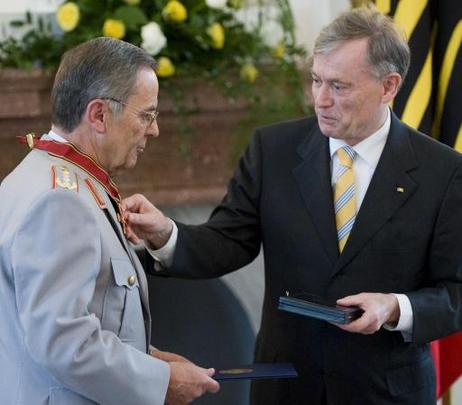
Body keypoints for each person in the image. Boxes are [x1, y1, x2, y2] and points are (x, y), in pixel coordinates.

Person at [121, 6, 462, 405]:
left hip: (385, 392)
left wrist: (394, 308)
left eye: (339, 86)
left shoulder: (444, 171)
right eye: (316, 80)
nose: (320, 99)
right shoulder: (273, 150)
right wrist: (167, 234)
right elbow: (228, 241)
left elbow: (455, 293)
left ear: (389, 86)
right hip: (286, 388)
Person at [0, 37, 219, 405]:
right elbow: (64, 342)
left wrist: (148, 359)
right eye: (146, 114)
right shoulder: (61, 200)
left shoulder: (48, 177)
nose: (154, 130)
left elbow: (84, 319)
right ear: (99, 114)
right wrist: (159, 382)